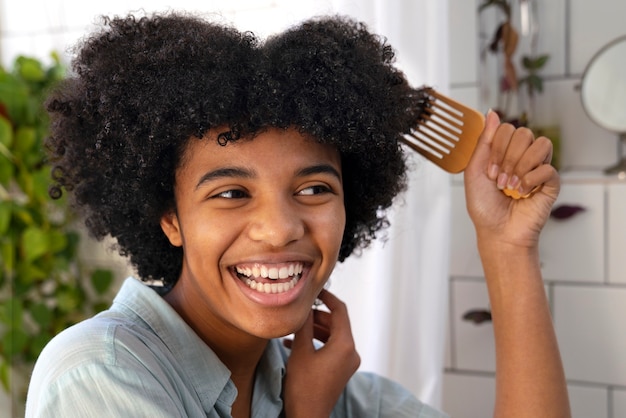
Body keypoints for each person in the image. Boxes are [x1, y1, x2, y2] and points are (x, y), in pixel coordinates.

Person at [25, 11, 570, 418]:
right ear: (168, 216)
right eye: (232, 193)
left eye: (312, 188)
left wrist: (507, 247)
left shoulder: (327, 386)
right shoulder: (99, 373)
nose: (282, 228)